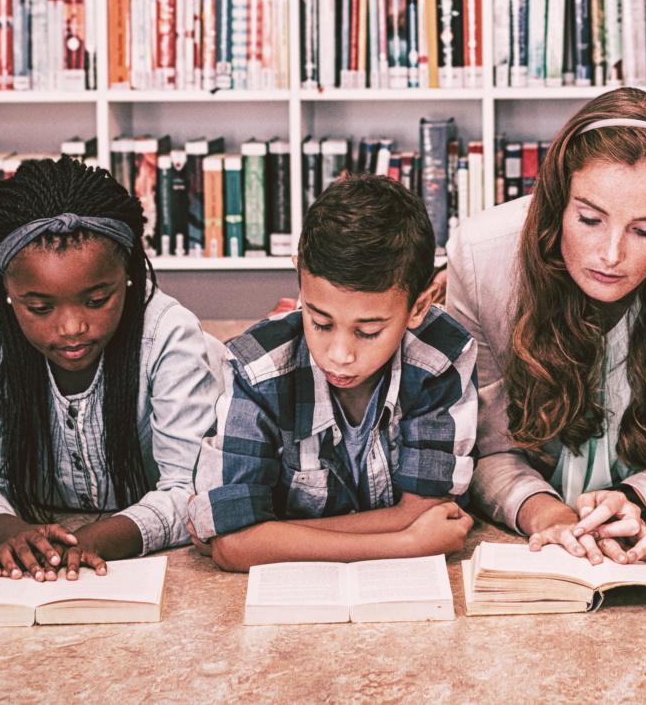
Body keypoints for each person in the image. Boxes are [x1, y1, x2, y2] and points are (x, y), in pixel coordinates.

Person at [447, 87, 646, 564]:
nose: (612, 254)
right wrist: (547, 516)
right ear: (558, 199)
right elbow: (486, 450)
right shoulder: (480, 255)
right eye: (589, 219)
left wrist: (635, 501)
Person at [0, 158, 224, 580]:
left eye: (97, 301)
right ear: (7, 291)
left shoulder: (168, 331)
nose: (72, 328)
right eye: (39, 308)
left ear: (127, 275)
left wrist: (94, 540)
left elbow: (190, 491)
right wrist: (18, 536)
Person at [188, 175, 478, 570]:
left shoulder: (438, 359)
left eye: (369, 331)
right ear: (299, 279)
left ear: (419, 306)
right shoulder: (258, 369)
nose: (340, 355)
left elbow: (430, 509)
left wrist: (274, 535)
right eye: (320, 322)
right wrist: (407, 543)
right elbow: (233, 546)